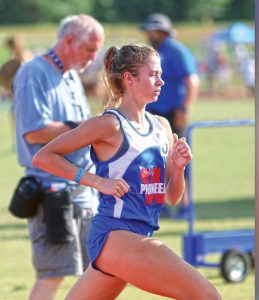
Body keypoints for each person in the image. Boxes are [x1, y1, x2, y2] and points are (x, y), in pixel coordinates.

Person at [32, 44, 221, 300]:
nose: (161, 81)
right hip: (114, 236)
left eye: (160, 74)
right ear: (130, 78)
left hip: (138, 236)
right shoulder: (108, 124)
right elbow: (44, 156)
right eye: (153, 74)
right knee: (208, 296)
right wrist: (97, 181)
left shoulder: (161, 126)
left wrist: (178, 169)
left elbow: (171, 198)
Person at [12, 14, 104, 300]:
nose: (92, 58)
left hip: (85, 188)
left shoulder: (72, 75)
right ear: (67, 40)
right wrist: (85, 129)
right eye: (89, 49)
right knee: (53, 276)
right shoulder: (33, 72)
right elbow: (34, 132)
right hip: (51, 190)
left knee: (99, 271)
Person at [140, 13, 200, 217]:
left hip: (172, 112)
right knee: (154, 158)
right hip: (153, 112)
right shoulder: (151, 52)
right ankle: (160, 203)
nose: (148, 34)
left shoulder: (176, 50)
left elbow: (191, 80)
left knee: (179, 157)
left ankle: (185, 204)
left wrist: (184, 108)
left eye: (152, 30)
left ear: (161, 31)